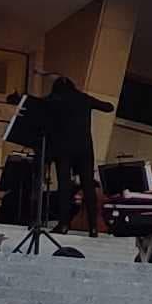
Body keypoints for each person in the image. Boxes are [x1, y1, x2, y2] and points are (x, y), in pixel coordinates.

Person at [22, 76, 115, 231]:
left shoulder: (53, 100)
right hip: (84, 149)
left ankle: (64, 224)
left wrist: (19, 98)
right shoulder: (83, 98)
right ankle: (93, 227)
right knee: (88, 186)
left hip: (63, 149)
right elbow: (109, 107)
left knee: (64, 186)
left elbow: (34, 105)